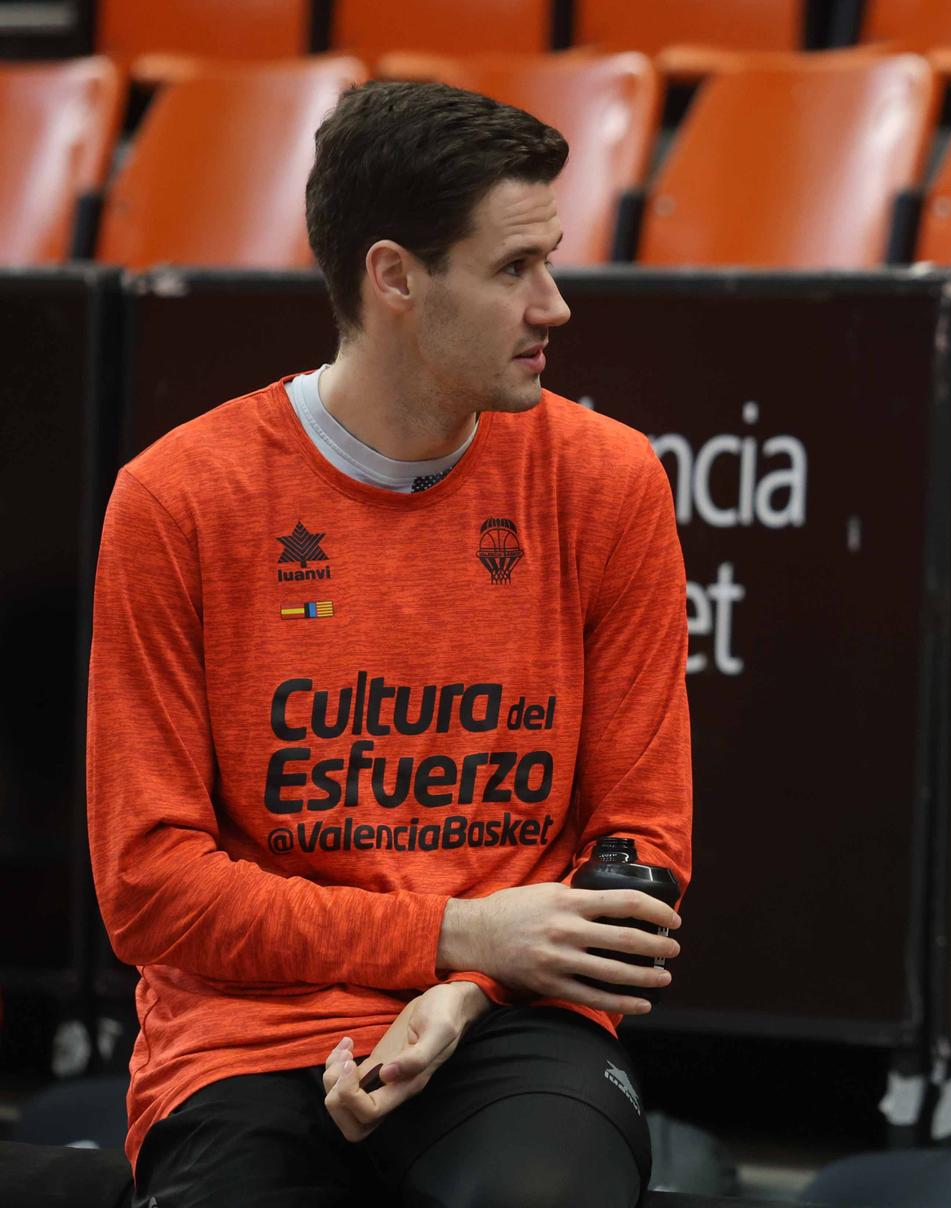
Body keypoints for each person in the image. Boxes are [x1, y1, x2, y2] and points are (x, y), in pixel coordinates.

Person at [85, 81, 692, 1208]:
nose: (553, 304)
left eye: (549, 262)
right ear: (395, 276)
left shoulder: (609, 482)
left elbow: (638, 846)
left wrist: (467, 980)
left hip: (510, 1023)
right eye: (514, 269)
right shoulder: (179, 499)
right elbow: (150, 889)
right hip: (246, 1036)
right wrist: (451, 928)